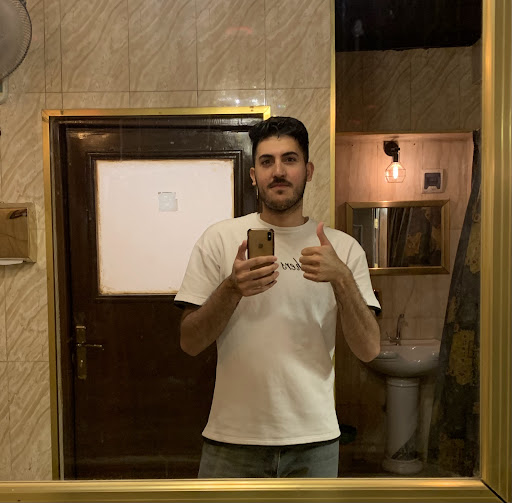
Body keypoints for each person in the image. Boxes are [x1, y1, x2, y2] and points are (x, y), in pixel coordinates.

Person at [174, 116, 381, 478]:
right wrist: (231, 288)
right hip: (231, 439)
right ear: (254, 175)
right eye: (267, 161)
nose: (279, 171)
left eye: (290, 159)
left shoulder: (343, 249)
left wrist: (341, 278)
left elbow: (369, 349)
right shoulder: (219, 240)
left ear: (308, 171)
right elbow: (190, 342)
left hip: (314, 441)